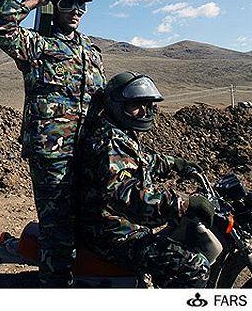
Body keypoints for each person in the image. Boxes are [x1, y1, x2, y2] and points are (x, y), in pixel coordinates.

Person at [0, 0, 105, 287]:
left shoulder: (92, 52)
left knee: (92, 223)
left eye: (81, 5)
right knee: (58, 232)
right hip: (53, 155)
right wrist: (36, 1)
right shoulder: (38, 46)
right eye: (68, 4)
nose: (76, 10)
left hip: (89, 152)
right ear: (56, 7)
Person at [76, 72, 211, 288]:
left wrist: (176, 164)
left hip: (121, 226)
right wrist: (182, 204)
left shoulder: (120, 132)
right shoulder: (109, 141)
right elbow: (124, 194)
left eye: (148, 105)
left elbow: (144, 161)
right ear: (117, 105)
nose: (144, 112)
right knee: (194, 266)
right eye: (136, 105)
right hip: (112, 234)